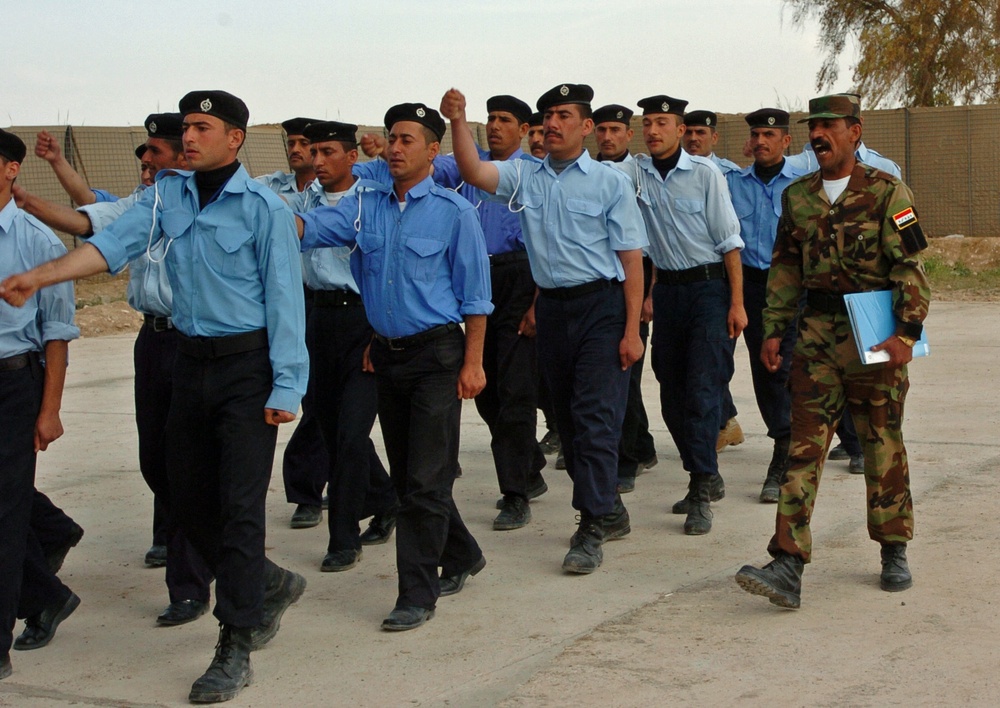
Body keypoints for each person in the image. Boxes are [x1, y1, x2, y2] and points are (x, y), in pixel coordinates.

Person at [1, 90, 309, 703]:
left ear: (235, 138)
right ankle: (266, 581)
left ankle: (236, 639)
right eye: (187, 127)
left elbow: (284, 299)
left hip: (247, 367)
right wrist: (40, 275)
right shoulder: (167, 194)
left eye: (202, 127)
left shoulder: (263, 208)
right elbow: (106, 248)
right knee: (180, 492)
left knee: (239, 505)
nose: (188, 137)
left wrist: (287, 383)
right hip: (189, 364)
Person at [295, 102, 492, 631]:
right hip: (385, 354)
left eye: (408, 139)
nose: (396, 147)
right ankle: (464, 552)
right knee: (410, 479)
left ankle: (416, 593)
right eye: (391, 138)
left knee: (425, 482)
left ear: (433, 150)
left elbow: (476, 298)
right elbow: (308, 229)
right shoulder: (367, 205)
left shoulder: (456, 213)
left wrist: (473, 363)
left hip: (437, 357)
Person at [15, 113, 215, 627]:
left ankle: (190, 583)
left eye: (153, 151)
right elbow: (90, 222)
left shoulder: (213, 205)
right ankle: (201, 544)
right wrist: (29, 199)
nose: (145, 161)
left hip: (199, 343)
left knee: (187, 464)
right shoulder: (142, 204)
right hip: (153, 340)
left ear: (181, 155)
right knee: (156, 461)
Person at [441, 83, 648, 574]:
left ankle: (591, 523)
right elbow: (473, 170)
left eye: (563, 115)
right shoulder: (525, 176)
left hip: (601, 307)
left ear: (586, 126)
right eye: (547, 116)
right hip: (552, 310)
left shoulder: (608, 182)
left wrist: (632, 328)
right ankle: (609, 508)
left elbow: (631, 258)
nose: (552, 124)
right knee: (570, 421)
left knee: (595, 417)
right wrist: (457, 119)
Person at [735, 93, 930, 608]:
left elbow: (911, 267)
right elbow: (783, 268)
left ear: (855, 131)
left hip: (875, 330)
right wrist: (773, 330)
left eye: (829, 126)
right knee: (805, 444)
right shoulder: (797, 197)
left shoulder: (890, 192)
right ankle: (787, 562)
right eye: (813, 128)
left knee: (881, 440)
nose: (818, 135)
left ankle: (893, 547)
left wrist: (907, 333)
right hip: (817, 333)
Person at [611, 96, 744, 535]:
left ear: (681, 129)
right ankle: (701, 470)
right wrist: (649, 294)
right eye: (647, 123)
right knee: (670, 391)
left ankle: (701, 487)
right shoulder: (636, 173)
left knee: (703, 389)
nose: (652, 130)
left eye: (662, 123)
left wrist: (737, 303)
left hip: (709, 290)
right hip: (667, 292)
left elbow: (729, 243)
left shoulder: (705, 174)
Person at [429, 94, 548, 530]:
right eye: (491, 119)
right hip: (474, 281)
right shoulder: (467, 165)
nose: (496, 126)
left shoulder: (532, 172)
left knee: (516, 391)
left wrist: (537, 301)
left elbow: (543, 246)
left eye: (505, 120)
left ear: (523, 130)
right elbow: (433, 165)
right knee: (486, 389)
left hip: (519, 279)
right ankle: (528, 462)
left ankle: (515, 492)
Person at [286, 120, 398, 569]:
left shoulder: (374, 204)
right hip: (318, 320)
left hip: (363, 322)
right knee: (331, 430)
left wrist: (377, 335)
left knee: (352, 434)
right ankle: (387, 498)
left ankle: (343, 536)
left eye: (328, 151)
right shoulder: (301, 202)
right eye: (313, 152)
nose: (317, 160)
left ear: (352, 157)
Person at [0, 128, 81, 681]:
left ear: (10, 169)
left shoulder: (36, 238)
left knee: (4, 514)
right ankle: (45, 584)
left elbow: (56, 332)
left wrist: (49, 409)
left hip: (12, 384)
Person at [725, 108, 810, 502]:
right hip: (751, 286)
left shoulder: (804, 184)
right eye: (756, 135)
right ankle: (786, 440)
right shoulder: (732, 183)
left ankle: (787, 450)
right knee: (765, 368)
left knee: (785, 367)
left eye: (769, 135)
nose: (761, 142)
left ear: (786, 141)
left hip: (792, 287)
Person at [592, 103, 658, 493]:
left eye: (616, 130)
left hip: (636, 275)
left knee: (627, 373)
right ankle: (640, 445)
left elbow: (655, 235)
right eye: (602, 130)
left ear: (628, 135)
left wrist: (650, 292)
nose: (608, 137)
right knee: (610, 378)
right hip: (599, 279)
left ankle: (627, 458)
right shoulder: (585, 172)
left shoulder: (641, 174)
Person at [681, 109, 745, 453]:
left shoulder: (731, 176)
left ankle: (719, 424)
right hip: (698, 281)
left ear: (714, 138)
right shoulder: (674, 176)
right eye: (688, 132)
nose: (693, 138)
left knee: (714, 363)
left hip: (735, 274)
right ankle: (723, 421)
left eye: (700, 133)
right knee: (706, 363)